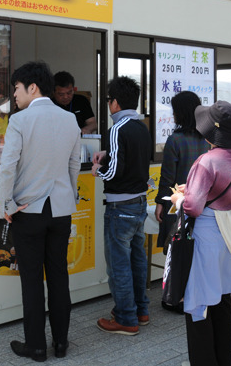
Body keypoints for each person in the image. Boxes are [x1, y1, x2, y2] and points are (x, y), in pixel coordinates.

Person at [0, 61, 81, 362]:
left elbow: (7, 167)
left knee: (32, 280)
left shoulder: (19, 121)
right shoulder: (70, 119)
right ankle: (61, 344)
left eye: (17, 89)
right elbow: (74, 165)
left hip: (28, 211)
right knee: (59, 276)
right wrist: (68, 197)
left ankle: (35, 346)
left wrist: (5, 205)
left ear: (32, 87)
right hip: (60, 210)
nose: (15, 96)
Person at [169, 100, 231, 366]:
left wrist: (179, 198)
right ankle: (225, 359)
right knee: (223, 300)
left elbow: (192, 207)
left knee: (200, 303)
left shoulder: (206, 161)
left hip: (206, 236)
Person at [91, 76, 151, 335]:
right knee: (137, 260)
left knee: (118, 265)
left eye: (108, 100)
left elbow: (114, 171)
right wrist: (108, 155)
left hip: (120, 208)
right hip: (139, 203)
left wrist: (97, 169)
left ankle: (126, 318)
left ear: (114, 103)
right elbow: (130, 159)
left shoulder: (117, 128)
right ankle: (141, 310)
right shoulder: (141, 127)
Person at [154, 91, 209, 300]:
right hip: (203, 205)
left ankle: (176, 296)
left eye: (175, 111)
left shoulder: (175, 140)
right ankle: (195, 293)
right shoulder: (208, 139)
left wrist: (160, 203)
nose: (173, 115)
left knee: (176, 250)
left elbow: (167, 178)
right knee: (196, 252)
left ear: (181, 113)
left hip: (179, 206)